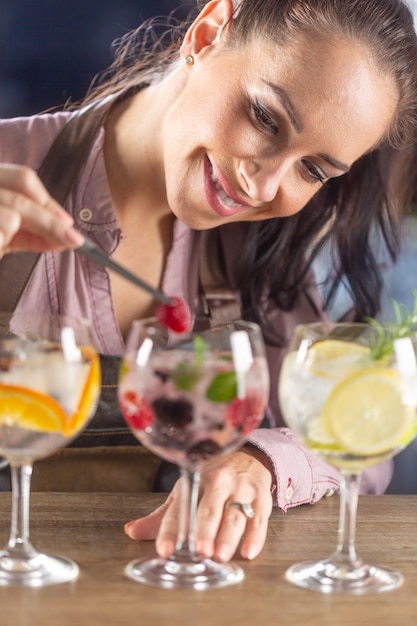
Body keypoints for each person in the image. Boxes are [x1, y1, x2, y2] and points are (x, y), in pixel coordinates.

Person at [0, 0, 416, 564]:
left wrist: (265, 463)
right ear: (209, 31)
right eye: (265, 118)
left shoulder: (260, 249)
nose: (264, 185)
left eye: (312, 169)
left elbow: (361, 439)